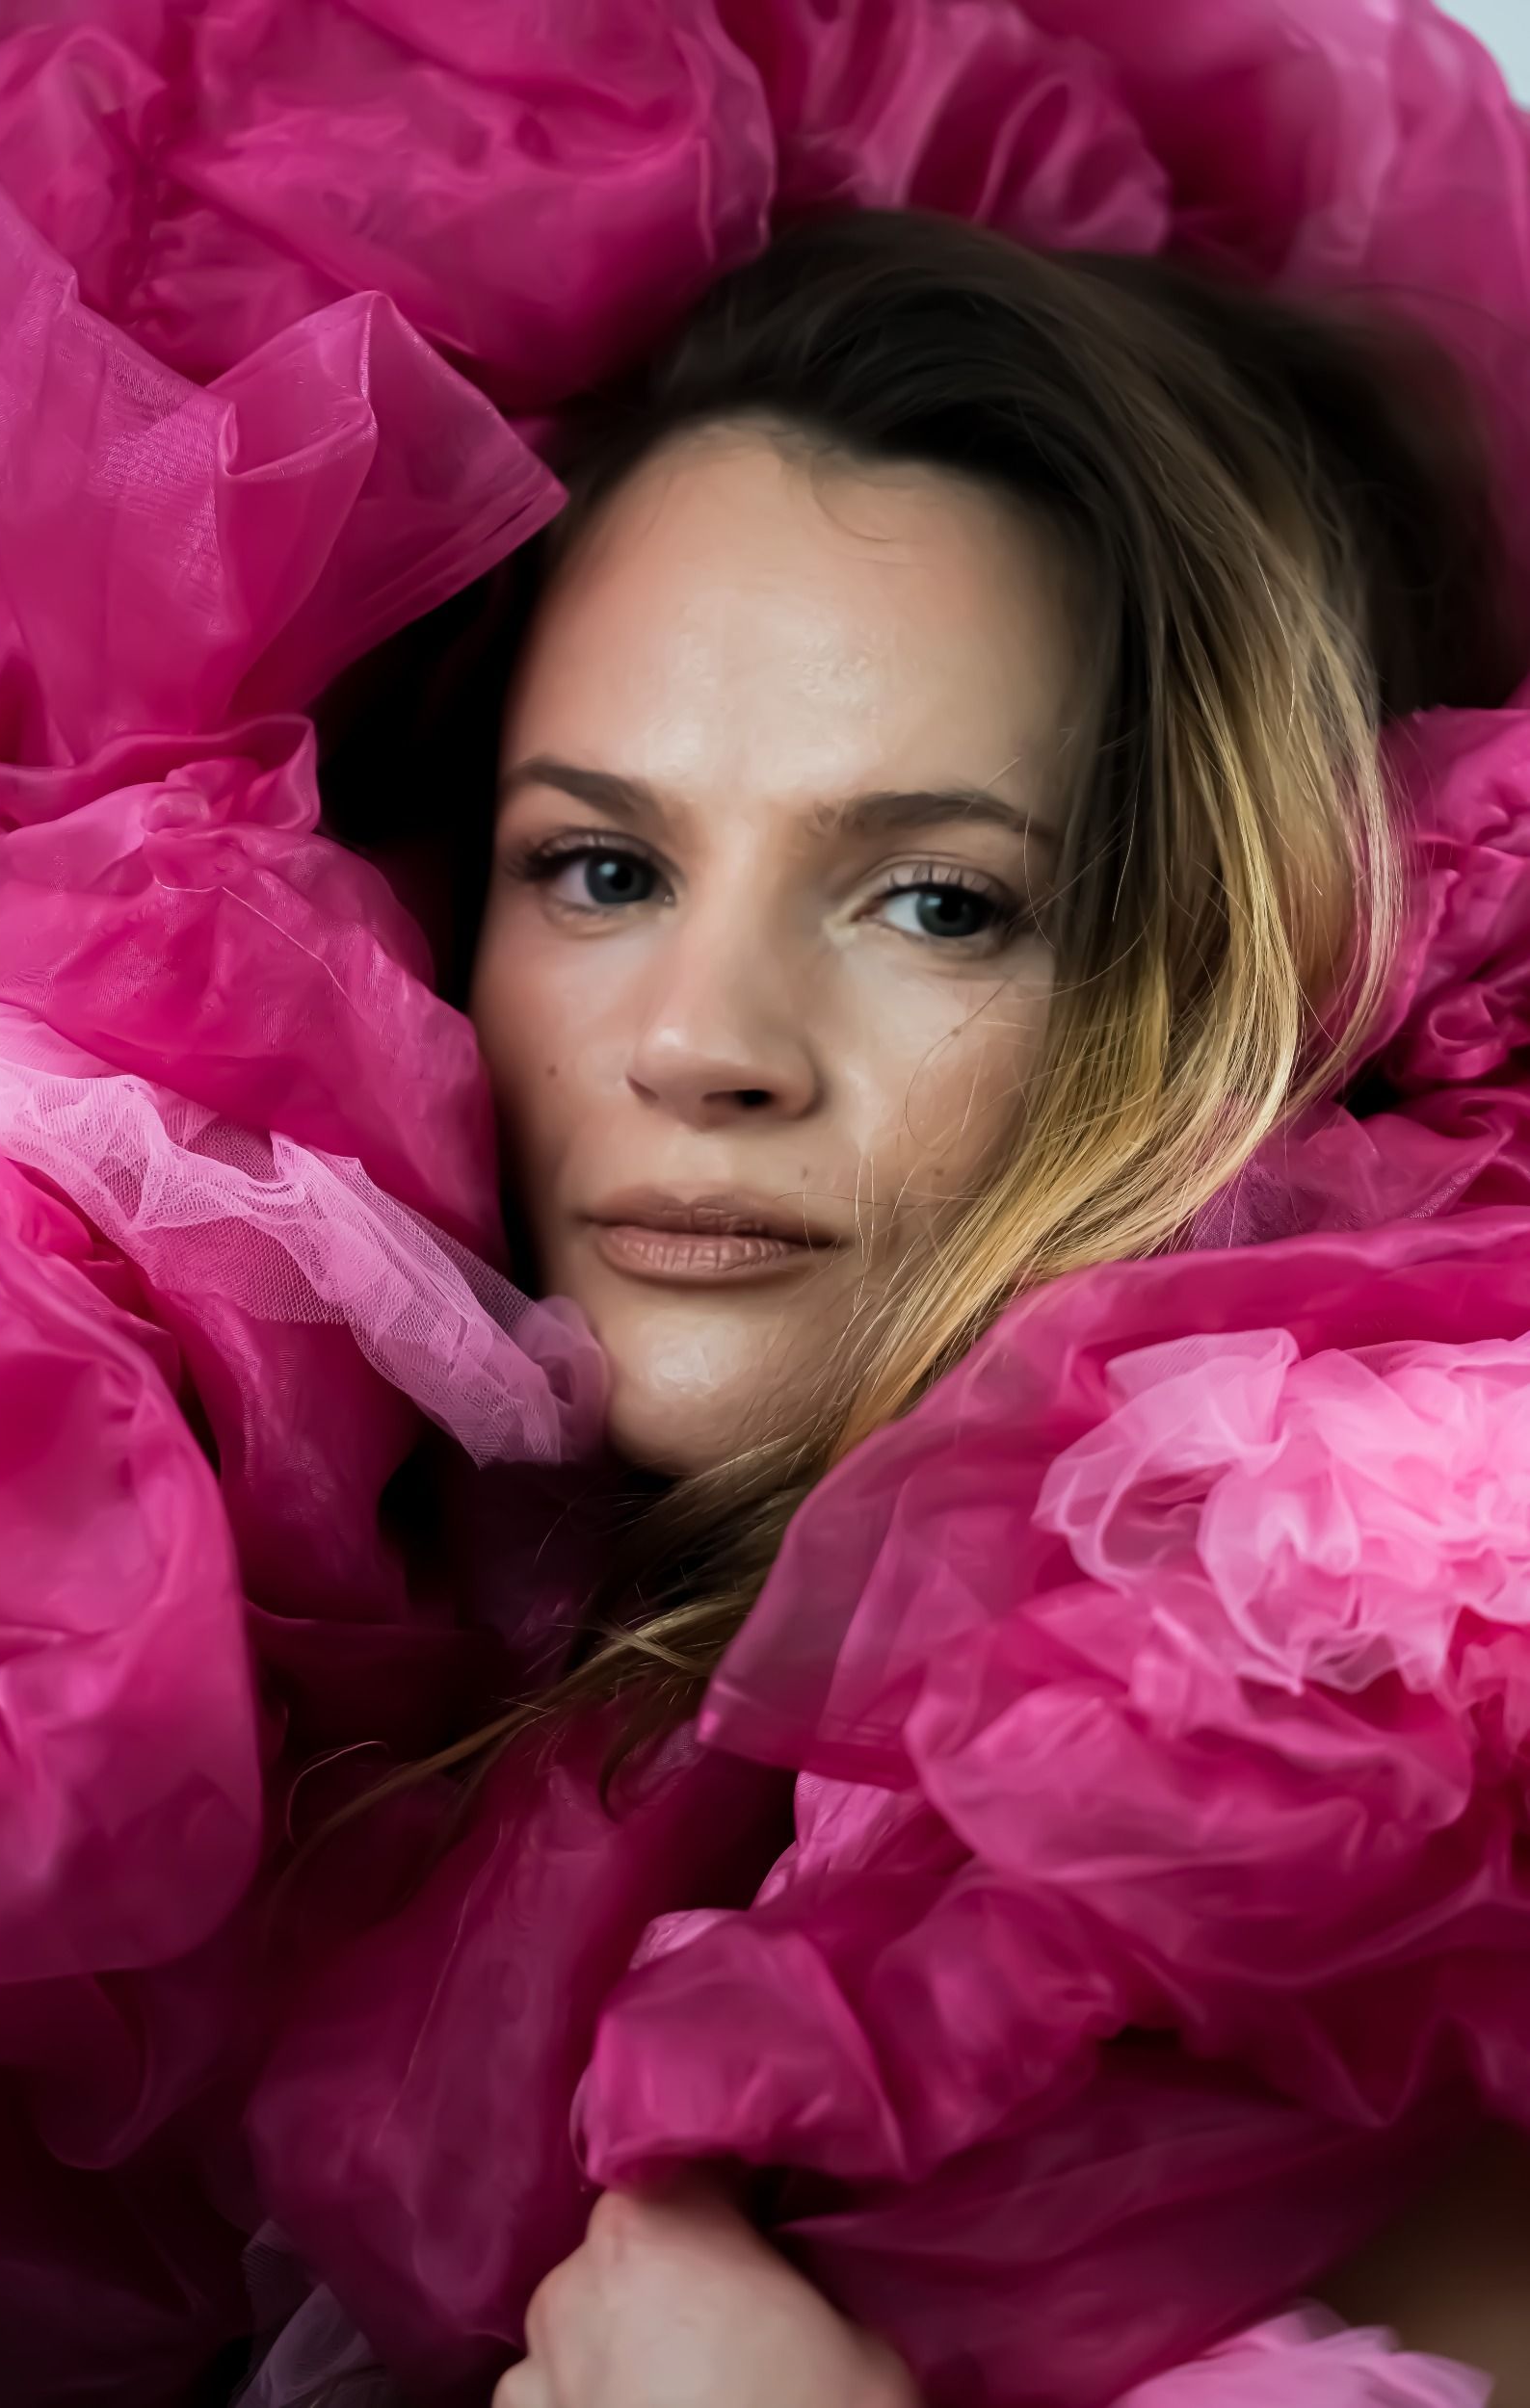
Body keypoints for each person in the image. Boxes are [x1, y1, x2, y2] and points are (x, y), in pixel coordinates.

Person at [238, 216, 1530, 2408]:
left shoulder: (1362, 1824)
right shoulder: (324, 1713)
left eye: (937, 900)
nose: (703, 1045)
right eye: (603, 869)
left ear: (1228, 970)